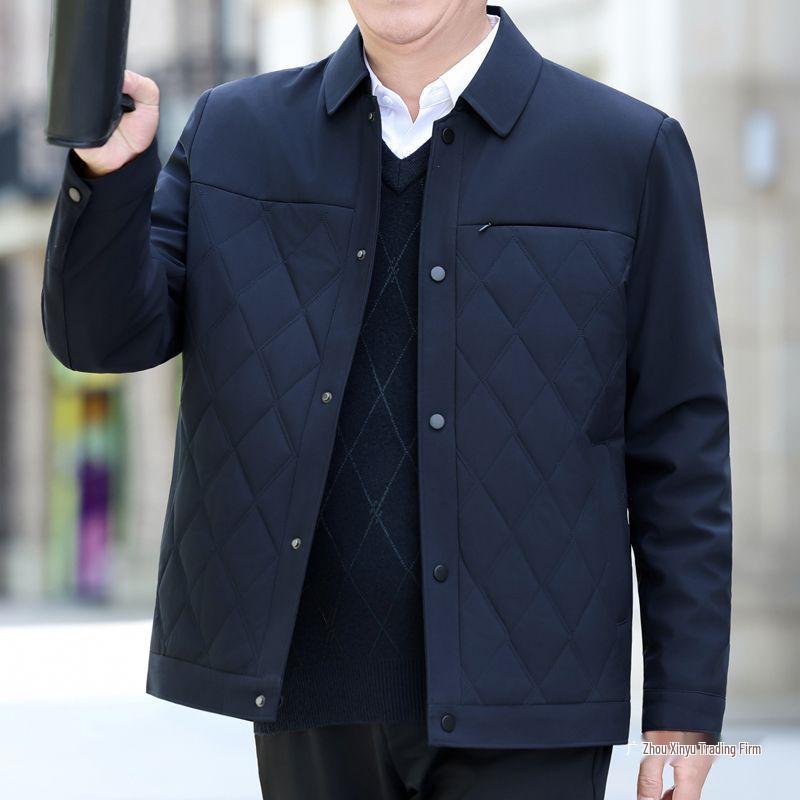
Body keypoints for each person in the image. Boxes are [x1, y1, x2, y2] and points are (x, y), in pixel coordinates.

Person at [41, 2, 732, 798]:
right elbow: (101, 339)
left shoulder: (626, 152)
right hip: (311, 699)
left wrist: (684, 709)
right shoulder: (235, 134)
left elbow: (680, 449)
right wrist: (107, 176)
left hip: (532, 709)